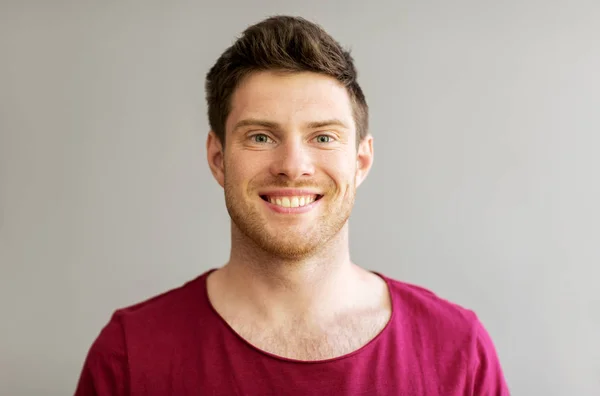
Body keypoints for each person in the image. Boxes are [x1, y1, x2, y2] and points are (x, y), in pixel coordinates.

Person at [74, 15, 509, 395]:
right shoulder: (130, 356)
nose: (292, 167)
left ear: (361, 161)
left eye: (323, 137)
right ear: (218, 159)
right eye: (261, 136)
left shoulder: (457, 350)